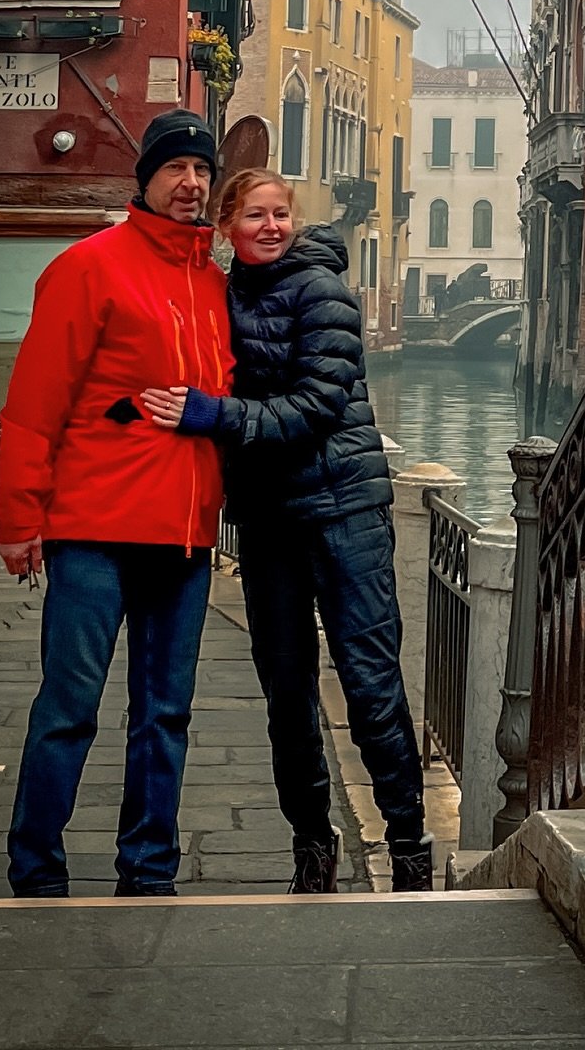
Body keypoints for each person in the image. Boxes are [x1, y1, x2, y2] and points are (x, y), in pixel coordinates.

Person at [142, 170, 432, 894]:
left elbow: (315, 405)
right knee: (287, 696)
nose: (271, 226)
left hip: (343, 509)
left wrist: (215, 416)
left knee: (369, 686)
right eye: (255, 216)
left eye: (281, 215)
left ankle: (408, 849)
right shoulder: (217, 293)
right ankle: (312, 847)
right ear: (226, 226)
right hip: (270, 519)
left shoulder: (324, 291)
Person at [0, 109, 233, 899]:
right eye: (176, 169)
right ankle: (35, 870)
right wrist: (18, 519)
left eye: (202, 170)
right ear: (147, 180)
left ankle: (150, 872)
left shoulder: (213, 284)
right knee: (70, 708)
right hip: (93, 531)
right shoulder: (89, 267)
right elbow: (34, 404)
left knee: (165, 717)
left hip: (185, 539)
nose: (191, 183)